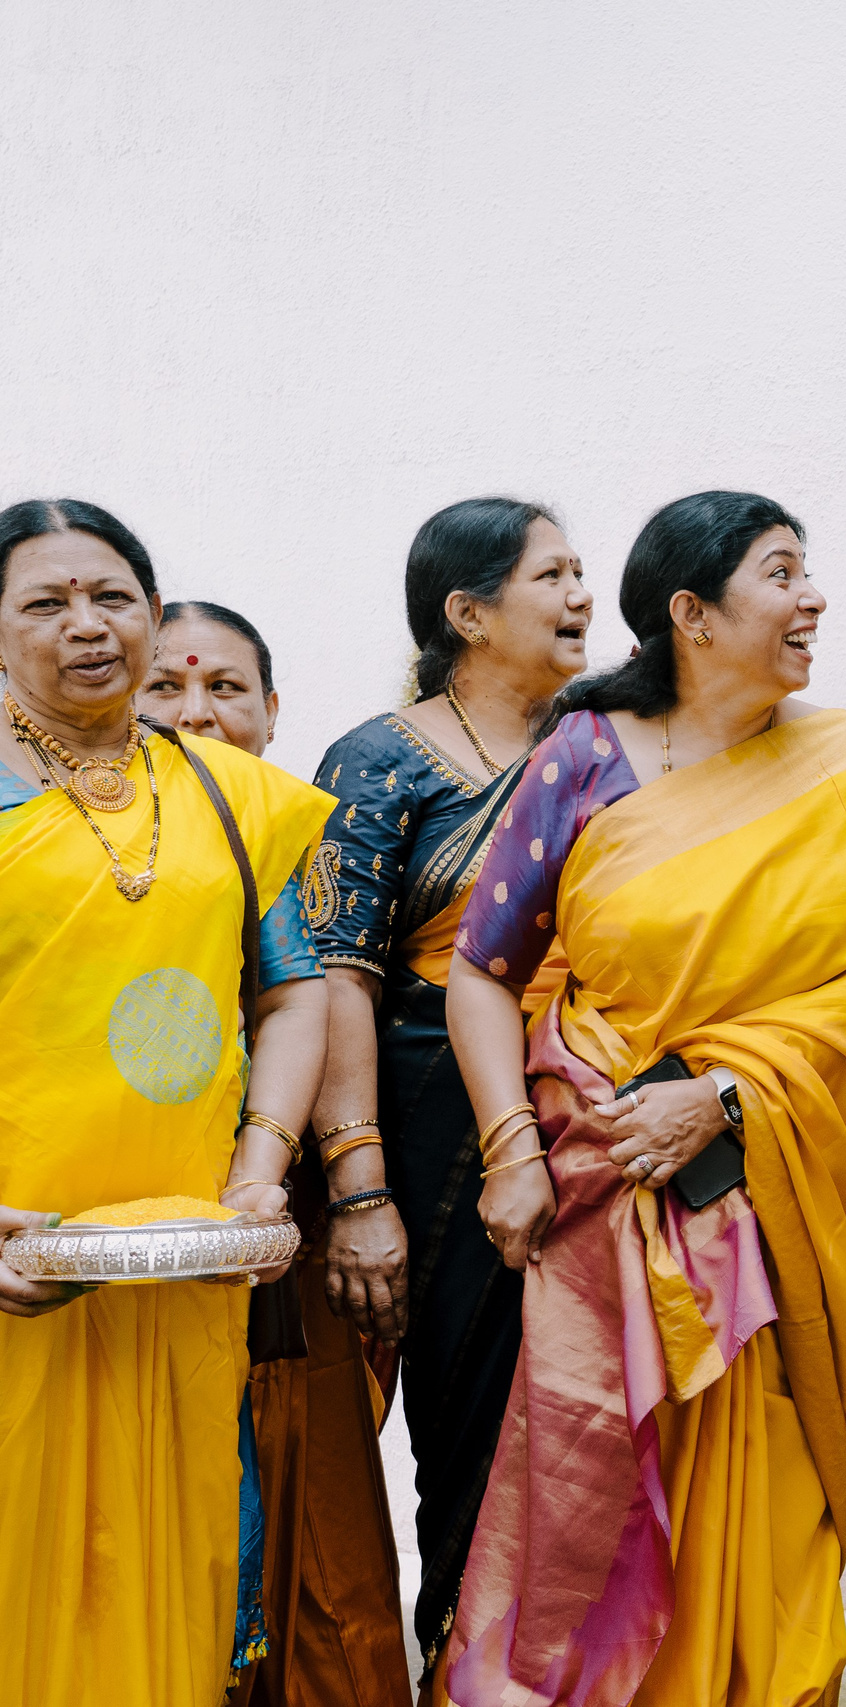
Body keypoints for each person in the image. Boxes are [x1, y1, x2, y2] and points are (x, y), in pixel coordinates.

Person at [435, 491, 846, 1706]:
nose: (812, 598)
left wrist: (725, 1092)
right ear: (693, 614)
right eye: (781, 574)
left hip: (754, 1184)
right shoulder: (585, 758)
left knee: (755, 1478)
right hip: (597, 1174)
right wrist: (511, 1147)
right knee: (585, 1473)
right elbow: (481, 972)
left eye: (809, 572)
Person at [0, 501, 334, 1705]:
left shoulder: (231, 794)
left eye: (113, 597)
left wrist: (261, 1164)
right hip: (13, 1266)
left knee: (171, 1573)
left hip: (180, 1264)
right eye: (45, 603)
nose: (87, 627)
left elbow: (291, 994)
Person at [303, 498, 594, 1669]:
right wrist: (362, 1191)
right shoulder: (379, 760)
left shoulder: (607, 744)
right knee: (474, 1429)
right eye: (553, 576)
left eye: (583, 571)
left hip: (596, 1116)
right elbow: (335, 984)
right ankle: (468, 1671)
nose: (582, 595)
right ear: (467, 613)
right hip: (440, 1140)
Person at [146, 602, 417, 1707]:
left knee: (296, 1494)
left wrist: (354, 1192)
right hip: (124, 1210)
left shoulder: (305, 842)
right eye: (167, 687)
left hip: (280, 1222)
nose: (198, 713)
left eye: (226, 690)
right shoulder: (80, 845)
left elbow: (326, 1001)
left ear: (272, 712)